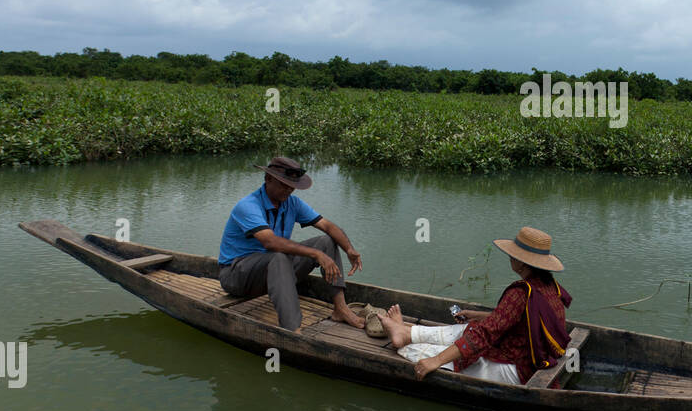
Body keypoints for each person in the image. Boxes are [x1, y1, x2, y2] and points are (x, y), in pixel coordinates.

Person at [380, 226, 572, 384]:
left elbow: (483, 336)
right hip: (526, 356)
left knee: (438, 354)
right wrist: (479, 316)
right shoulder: (549, 286)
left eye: (513, 255)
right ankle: (406, 332)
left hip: (516, 369)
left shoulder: (521, 293)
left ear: (522, 263)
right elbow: (520, 321)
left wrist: (436, 361)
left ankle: (404, 338)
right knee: (469, 327)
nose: (510, 257)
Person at [217, 156, 370, 333]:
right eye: (283, 184)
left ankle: (341, 308)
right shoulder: (248, 206)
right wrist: (316, 255)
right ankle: (292, 329)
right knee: (279, 256)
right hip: (236, 276)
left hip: (274, 271)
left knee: (325, 242)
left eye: (292, 186)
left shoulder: (291, 203)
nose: (289, 189)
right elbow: (270, 242)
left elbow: (326, 225)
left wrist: (349, 249)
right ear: (268, 179)